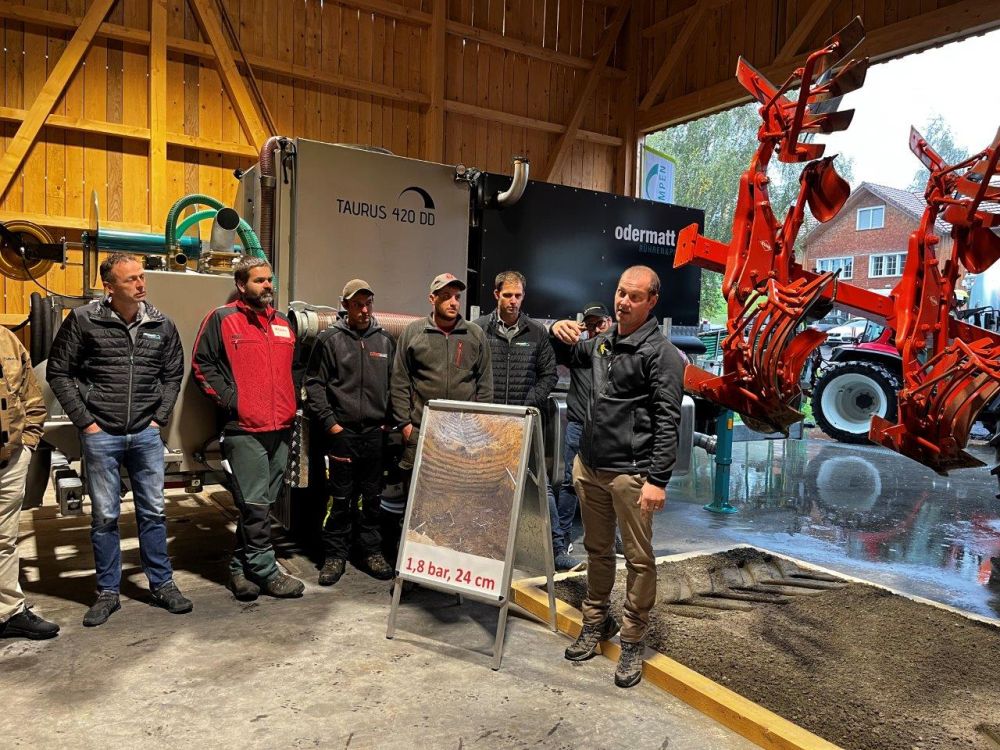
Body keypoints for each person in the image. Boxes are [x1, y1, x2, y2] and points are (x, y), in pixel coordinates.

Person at [550, 265, 684, 688]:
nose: (623, 301)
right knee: (597, 550)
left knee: (640, 561)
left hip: (630, 475)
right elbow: (562, 353)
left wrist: (657, 480)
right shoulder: (602, 343)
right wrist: (557, 326)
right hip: (589, 468)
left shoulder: (660, 355)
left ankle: (632, 641)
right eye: (621, 293)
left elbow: (668, 420)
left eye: (634, 296)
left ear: (652, 302)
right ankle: (595, 623)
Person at [47, 252, 190, 626]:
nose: (141, 284)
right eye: (131, 280)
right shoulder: (83, 320)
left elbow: (174, 374)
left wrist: (159, 419)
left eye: (142, 277)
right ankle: (108, 592)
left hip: (145, 433)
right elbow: (59, 371)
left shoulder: (161, 323)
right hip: (102, 434)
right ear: (109, 287)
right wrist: (86, 422)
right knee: (105, 516)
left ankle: (162, 584)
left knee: (154, 512)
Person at [192, 256, 305, 601]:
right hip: (244, 429)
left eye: (270, 280)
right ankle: (267, 570)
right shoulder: (223, 319)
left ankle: (240, 570)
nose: (267, 286)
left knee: (263, 502)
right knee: (254, 503)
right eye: (259, 281)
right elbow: (202, 364)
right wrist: (233, 402)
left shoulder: (284, 324)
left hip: (281, 426)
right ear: (242, 285)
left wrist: (292, 401)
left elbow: (296, 367)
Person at [388, 273, 492, 557]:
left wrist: (478, 427)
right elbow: (399, 382)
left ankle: (450, 566)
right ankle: (412, 565)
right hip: (424, 434)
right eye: (445, 296)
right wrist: (406, 425)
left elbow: (484, 384)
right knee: (417, 503)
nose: (453, 302)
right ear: (432, 299)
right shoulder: (413, 333)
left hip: (462, 438)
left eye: (457, 296)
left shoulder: (474, 335)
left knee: (457, 504)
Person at [304, 279, 395, 586]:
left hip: (374, 434)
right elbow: (314, 383)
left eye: (368, 303)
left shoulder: (383, 341)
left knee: (372, 498)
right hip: (341, 434)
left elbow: (396, 384)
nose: (364, 309)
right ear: (345, 306)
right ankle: (335, 556)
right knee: (339, 499)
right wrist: (331, 423)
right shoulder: (329, 340)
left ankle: (371, 551)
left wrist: (389, 420)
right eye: (358, 304)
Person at [473, 271, 565, 565]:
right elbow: (470, 375)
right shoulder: (478, 330)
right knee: (484, 487)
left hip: (525, 422)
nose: (513, 301)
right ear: (496, 294)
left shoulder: (536, 333)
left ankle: (557, 549)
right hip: (488, 426)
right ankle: (481, 548)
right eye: (508, 295)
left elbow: (549, 375)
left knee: (541, 487)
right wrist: (482, 410)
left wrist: (528, 405)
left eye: (518, 296)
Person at [0, 326, 58, 640]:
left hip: (9, 459)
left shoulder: (7, 340)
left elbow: (31, 396)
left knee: (5, 540)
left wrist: (28, 444)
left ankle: (7, 612)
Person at [551, 301, 613, 570]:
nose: (595, 328)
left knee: (614, 483)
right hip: (579, 425)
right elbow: (552, 350)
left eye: (599, 323)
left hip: (609, 427)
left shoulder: (618, 350)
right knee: (570, 483)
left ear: (608, 322)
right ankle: (563, 539)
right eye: (589, 324)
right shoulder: (577, 351)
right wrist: (558, 329)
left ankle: (613, 538)